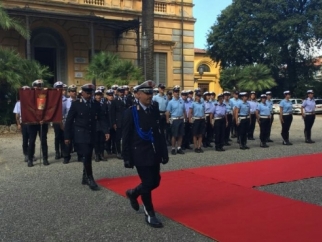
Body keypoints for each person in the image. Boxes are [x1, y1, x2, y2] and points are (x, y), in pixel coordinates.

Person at [122, 80, 168, 228]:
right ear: (137, 94)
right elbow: (126, 136)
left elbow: (159, 132)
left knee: (156, 181)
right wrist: (127, 158)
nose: (150, 96)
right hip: (140, 153)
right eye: (147, 93)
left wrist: (163, 152)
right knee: (148, 183)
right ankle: (150, 213)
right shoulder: (131, 112)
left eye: (151, 93)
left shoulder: (154, 108)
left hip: (154, 151)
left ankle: (134, 193)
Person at [64, 84, 110, 190]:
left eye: (91, 93)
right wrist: (67, 136)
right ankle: (90, 178)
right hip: (81, 133)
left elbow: (101, 118)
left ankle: (85, 176)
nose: (89, 95)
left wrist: (106, 131)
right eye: (87, 93)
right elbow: (69, 121)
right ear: (82, 93)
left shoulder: (95, 104)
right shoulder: (76, 104)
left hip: (92, 132)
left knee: (88, 155)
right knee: (87, 154)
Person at [27, 79, 50, 167]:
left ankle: (45, 158)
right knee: (31, 141)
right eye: (37, 86)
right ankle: (30, 159)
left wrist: (44, 119)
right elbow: (27, 109)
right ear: (33, 87)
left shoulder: (44, 96)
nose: (38, 87)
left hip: (42, 123)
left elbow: (48, 109)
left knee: (43, 141)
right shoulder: (29, 96)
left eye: (40, 86)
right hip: (32, 123)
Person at [13, 86, 34, 162]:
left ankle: (31, 154)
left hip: (31, 123)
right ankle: (26, 154)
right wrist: (18, 124)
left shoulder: (32, 101)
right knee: (25, 140)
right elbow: (17, 115)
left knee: (32, 140)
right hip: (23, 123)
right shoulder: (19, 103)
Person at [166, 85, 187, 155]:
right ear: (173, 93)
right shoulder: (171, 102)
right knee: (174, 135)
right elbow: (167, 112)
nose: (177, 93)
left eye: (178, 91)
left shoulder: (182, 101)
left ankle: (179, 148)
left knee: (181, 135)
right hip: (174, 119)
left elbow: (184, 111)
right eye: (175, 91)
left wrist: (185, 118)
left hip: (181, 119)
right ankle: (173, 148)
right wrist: (167, 120)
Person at [110, 86, 127, 159]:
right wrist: (113, 123)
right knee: (118, 138)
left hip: (126, 122)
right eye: (120, 92)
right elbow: (112, 113)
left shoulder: (128, 100)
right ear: (118, 92)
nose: (122, 93)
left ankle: (125, 152)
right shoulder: (115, 101)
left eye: (123, 92)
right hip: (118, 122)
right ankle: (118, 152)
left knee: (126, 138)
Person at [53, 81, 67, 161]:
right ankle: (57, 152)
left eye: (61, 88)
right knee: (57, 136)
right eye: (58, 88)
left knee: (63, 136)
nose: (60, 90)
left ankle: (63, 152)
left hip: (64, 120)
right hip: (56, 120)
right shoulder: (53, 99)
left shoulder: (66, 99)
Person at [64, 84, 79, 163]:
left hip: (77, 123)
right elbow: (63, 114)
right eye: (72, 91)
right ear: (69, 92)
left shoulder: (79, 101)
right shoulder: (65, 102)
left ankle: (80, 156)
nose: (74, 93)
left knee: (78, 140)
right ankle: (66, 157)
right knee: (67, 140)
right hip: (69, 123)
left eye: (75, 91)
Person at [94, 90, 109, 162]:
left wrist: (106, 129)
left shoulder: (104, 104)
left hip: (102, 125)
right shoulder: (93, 104)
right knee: (96, 141)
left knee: (102, 141)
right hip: (95, 125)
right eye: (97, 95)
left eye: (99, 95)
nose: (98, 96)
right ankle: (97, 155)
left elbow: (106, 116)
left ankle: (102, 154)